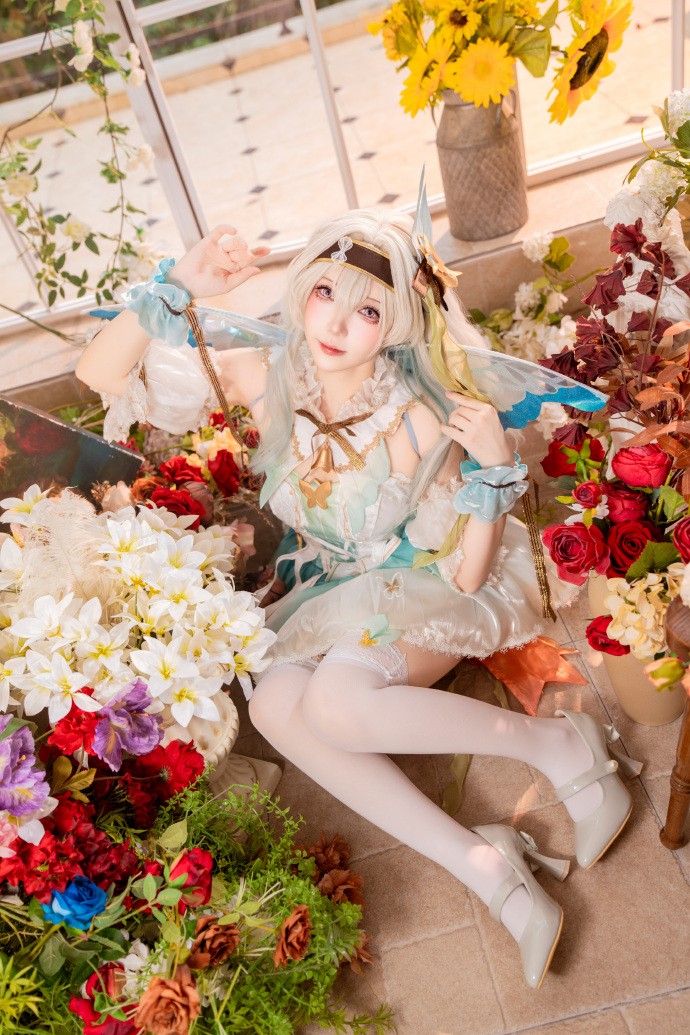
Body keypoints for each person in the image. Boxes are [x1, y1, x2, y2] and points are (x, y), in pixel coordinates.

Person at [76, 208, 634, 990]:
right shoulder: (266, 377)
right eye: (325, 293)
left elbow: (466, 576)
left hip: (428, 581)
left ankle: (557, 746)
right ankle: (484, 863)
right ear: (302, 290)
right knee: (277, 705)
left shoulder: (415, 415)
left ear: (396, 323)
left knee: (334, 701)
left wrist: (493, 471)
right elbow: (101, 376)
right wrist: (181, 282)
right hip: (331, 584)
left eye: (368, 310)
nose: (337, 323)